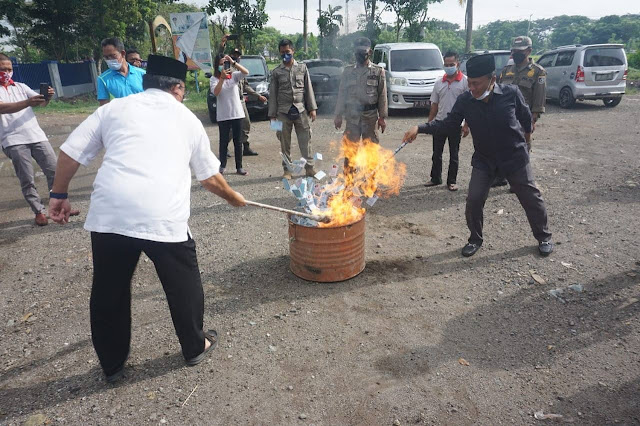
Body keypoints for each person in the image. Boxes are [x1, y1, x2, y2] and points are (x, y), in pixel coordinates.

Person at [48, 55, 246, 383]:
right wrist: (233, 197)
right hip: (163, 216)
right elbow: (209, 178)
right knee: (183, 284)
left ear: (145, 83)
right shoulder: (187, 119)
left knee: (109, 289)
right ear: (178, 88)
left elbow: (70, 152)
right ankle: (195, 346)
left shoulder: (113, 109)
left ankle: (112, 364)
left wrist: (58, 196)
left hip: (111, 214)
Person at [403, 54, 553, 258]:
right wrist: (419, 128)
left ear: (492, 80)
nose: (471, 88)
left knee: (530, 197)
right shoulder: (466, 100)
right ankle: (475, 239)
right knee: (474, 199)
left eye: (476, 83)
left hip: (514, 156)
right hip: (485, 159)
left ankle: (543, 236)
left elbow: (527, 121)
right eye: (469, 83)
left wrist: (526, 145)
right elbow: (447, 124)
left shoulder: (511, 93)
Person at [0, 53, 79, 225]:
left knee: (54, 171)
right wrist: (28, 102)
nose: (6, 72)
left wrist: (47, 97)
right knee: (27, 178)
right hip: (12, 140)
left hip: (36, 135)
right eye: (2, 69)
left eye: (9, 69)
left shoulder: (20, 86)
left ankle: (59, 206)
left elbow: (41, 103)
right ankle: (39, 211)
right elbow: (2, 107)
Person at [493, 36, 547, 187]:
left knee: (521, 150)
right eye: (514, 51)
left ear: (529, 51)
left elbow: (539, 98)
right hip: (505, 117)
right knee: (502, 146)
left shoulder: (538, 72)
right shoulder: (506, 71)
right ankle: (501, 176)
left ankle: (520, 181)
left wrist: (533, 119)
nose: (516, 54)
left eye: (520, 51)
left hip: (523, 118)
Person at [268, 39, 318, 179]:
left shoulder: (302, 68)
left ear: (293, 51)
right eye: (282, 52)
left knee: (305, 140)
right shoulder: (276, 72)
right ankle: (287, 170)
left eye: (287, 52)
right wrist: (272, 116)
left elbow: (308, 89)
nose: (285, 55)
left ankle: (309, 168)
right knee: (284, 142)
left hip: (301, 110)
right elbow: (273, 94)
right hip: (282, 112)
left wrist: (312, 108)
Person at [424, 51, 469, 192]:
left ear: (458, 64)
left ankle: (452, 181)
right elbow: (434, 105)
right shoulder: (439, 83)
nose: (449, 67)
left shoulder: (465, 82)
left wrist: (466, 124)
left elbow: (470, 105)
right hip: (439, 123)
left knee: (453, 154)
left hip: (456, 125)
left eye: (451, 64)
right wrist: (429, 124)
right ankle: (435, 178)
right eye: (446, 64)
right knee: (436, 153)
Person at [334, 37, 387, 145]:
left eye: (363, 52)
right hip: (352, 117)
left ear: (370, 52)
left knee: (371, 152)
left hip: (370, 118)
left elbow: (382, 95)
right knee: (350, 150)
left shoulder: (377, 71)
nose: (360, 55)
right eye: (358, 52)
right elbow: (342, 94)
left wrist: (382, 117)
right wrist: (338, 115)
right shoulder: (348, 71)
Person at [218, 36, 264, 156]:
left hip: (241, 101)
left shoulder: (240, 70)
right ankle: (226, 147)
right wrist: (222, 43)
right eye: (234, 54)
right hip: (230, 101)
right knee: (233, 127)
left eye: (238, 55)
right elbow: (219, 56)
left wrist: (258, 95)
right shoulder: (226, 68)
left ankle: (246, 147)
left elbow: (246, 86)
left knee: (246, 124)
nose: (236, 57)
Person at [211, 53, 250, 175]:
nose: (224, 66)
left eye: (225, 64)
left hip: (237, 114)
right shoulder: (214, 79)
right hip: (223, 115)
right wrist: (222, 78)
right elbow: (216, 92)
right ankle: (222, 166)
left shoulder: (234, 76)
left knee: (238, 142)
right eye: (221, 64)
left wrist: (233, 63)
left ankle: (239, 167)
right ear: (217, 66)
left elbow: (246, 72)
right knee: (223, 141)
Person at [97, 37, 145, 106]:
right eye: (106, 57)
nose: (109, 60)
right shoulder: (103, 79)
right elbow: (104, 109)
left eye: (112, 56)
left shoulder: (143, 74)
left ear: (122, 53)